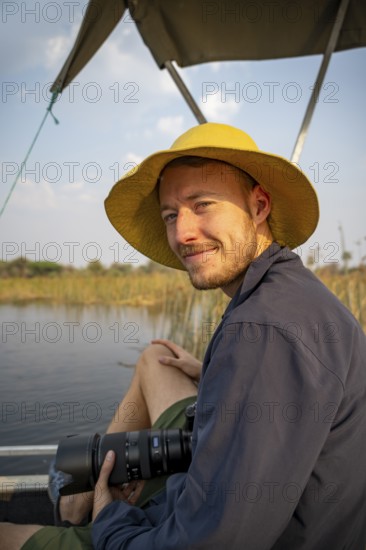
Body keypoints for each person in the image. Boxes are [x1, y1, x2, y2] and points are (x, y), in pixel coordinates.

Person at [1, 122, 365, 549]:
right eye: (171, 215)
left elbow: (210, 542)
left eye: (203, 204)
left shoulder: (263, 332)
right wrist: (213, 376)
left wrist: (111, 521)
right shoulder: (287, 291)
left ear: (260, 205)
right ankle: (86, 497)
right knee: (158, 357)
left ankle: (87, 507)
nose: (182, 233)